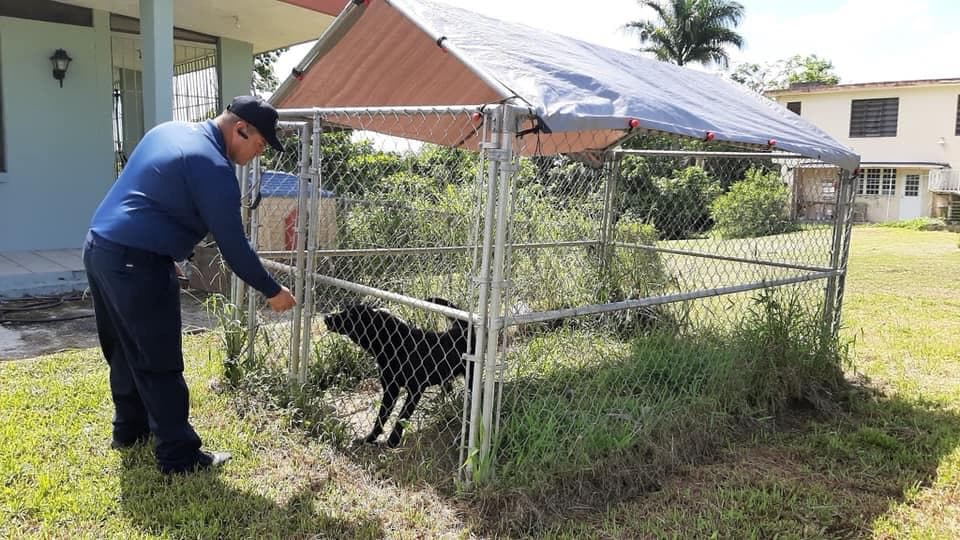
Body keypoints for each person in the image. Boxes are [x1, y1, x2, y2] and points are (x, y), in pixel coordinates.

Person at [83, 95, 297, 474]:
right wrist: (271, 289)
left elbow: (153, 195)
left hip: (102, 248)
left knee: (124, 349)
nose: (258, 153)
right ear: (240, 129)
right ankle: (178, 457)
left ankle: (129, 431)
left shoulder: (170, 131)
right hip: (136, 261)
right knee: (159, 361)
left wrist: (168, 253)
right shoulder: (212, 166)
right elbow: (234, 245)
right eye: (260, 144)